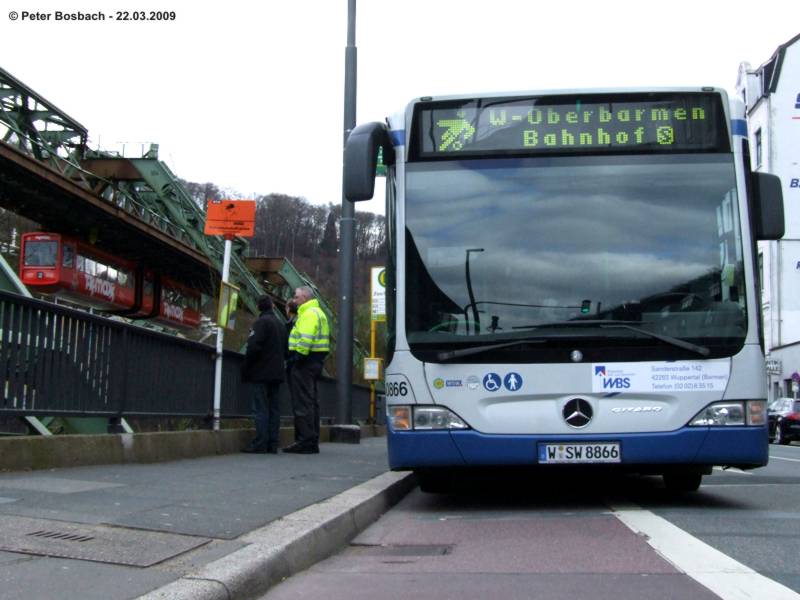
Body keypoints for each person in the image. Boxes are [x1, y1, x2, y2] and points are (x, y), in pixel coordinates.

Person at [283, 286, 330, 454]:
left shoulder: (308, 314)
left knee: (302, 402)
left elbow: (305, 339)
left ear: (304, 298)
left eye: (296, 297)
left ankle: (305, 440)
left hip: (304, 363)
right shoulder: (318, 313)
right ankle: (311, 438)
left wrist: (296, 358)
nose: (294, 300)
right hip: (315, 362)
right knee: (311, 402)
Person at [241, 295, 286, 454]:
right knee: (274, 409)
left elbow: (253, 347)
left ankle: (260, 443)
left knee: (260, 408)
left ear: (259, 307)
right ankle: (272, 443)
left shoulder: (261, 323)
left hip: (261, 372)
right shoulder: (281, 325)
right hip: (277, 373)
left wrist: (246, 368)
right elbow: (286, 350)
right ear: (272, 306)